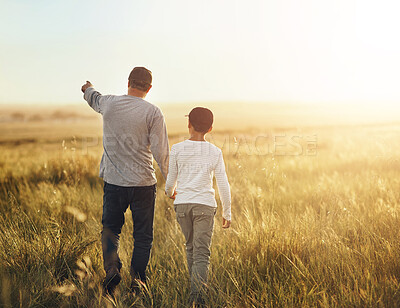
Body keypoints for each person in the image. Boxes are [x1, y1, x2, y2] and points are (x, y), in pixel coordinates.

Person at [81, 67, 169, 296]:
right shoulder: (153, 112)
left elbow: (94, 97)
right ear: (149, 88)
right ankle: (138, 284)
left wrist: (87, 87)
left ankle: (111, 268)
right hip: (143, 185)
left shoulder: (109, 103)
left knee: (110, 230)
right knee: (143, 236)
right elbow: (161, 152)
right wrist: (171, 183)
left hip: (114, 183)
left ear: (128, 82)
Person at [165, 107, 231, 307]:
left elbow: (169, 183)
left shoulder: (176, 149)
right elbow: (223, 184)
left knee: (191, 247)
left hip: (182, 206)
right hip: (204, 206)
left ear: (189, 124)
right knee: (202, 253)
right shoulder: (215, 152)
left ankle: (195, 292)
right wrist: (227, 211)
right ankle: (198, 299)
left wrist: (171, 193)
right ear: (210, 128)